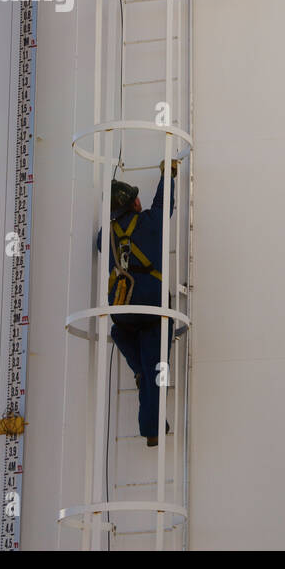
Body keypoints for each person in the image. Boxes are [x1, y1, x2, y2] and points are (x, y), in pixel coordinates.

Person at [98, 159, 179, 446]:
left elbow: (101, 245)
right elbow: (163, 204)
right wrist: (167, 174)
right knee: (156, 370)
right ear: (132, 204)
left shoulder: (104, 236)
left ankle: (139, 370)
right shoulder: (149, 223)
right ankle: (153, 430)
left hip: (121, 316)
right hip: (152, 311)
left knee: (126, 343)